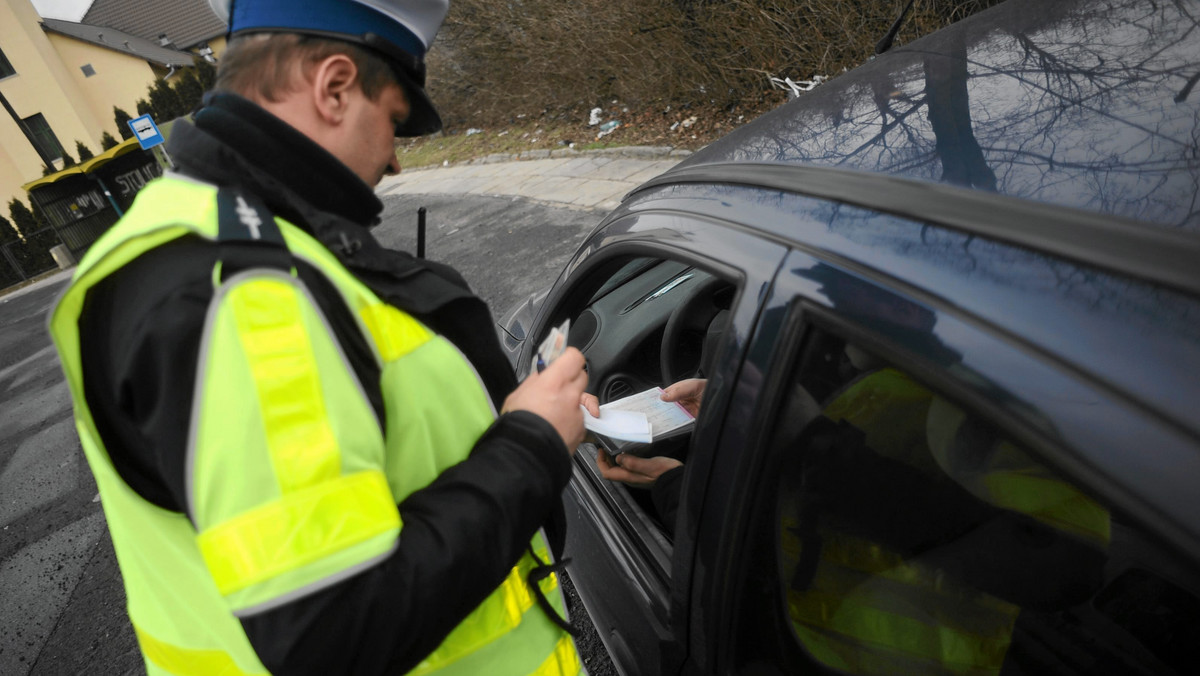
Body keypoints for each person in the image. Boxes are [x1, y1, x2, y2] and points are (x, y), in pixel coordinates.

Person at [48, 2, 587, 674]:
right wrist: (531, 447)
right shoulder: (240, 291)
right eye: (393, 121)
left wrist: (543, 425)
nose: (393, 161)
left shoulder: (236, 243)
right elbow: (332, 634)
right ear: (333, 87)